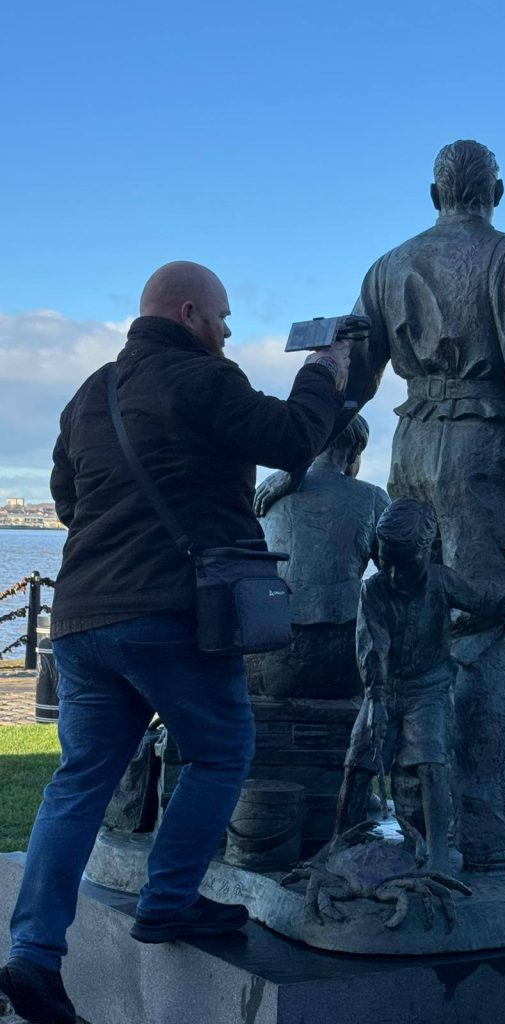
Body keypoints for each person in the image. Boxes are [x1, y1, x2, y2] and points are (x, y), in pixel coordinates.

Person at [0, 261, 352, 1024]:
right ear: (190, 313)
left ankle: (32, 953)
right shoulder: (203, 379)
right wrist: (325, 371)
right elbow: (294, 438)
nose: (229, 332)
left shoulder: (88, 392)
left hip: (85, 620)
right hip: (172, 614)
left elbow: (67, 500)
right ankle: (167, 899)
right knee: (222, 749)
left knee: (79, 782)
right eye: (224, 318)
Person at [256, 140, 505, 873]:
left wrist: (298, 463)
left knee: (422, 628)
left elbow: (347, 381)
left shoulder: (387, 268)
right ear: (495, 191)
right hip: (484, 453)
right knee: (496, 625)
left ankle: (422, 821)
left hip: (412, 451)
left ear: (431, 192)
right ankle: (494, 827)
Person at [336, 499, 505, 874]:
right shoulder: (373, 590)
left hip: (429, 690)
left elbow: (489, 599)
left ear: (427, 550)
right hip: (385, 689)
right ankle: (339, 843)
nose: (394, 575)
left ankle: (439, 854)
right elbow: (373, 648)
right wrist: (376, 699)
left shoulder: (442, 581)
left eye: (404, 565)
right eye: (386, 563)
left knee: (432, 762)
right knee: (358, 762)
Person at [248, 414, 390, 700]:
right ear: (354, 452)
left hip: (274, 647)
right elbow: (396, 573)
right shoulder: (374, 497)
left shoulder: (268, 495)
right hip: (348, 650)